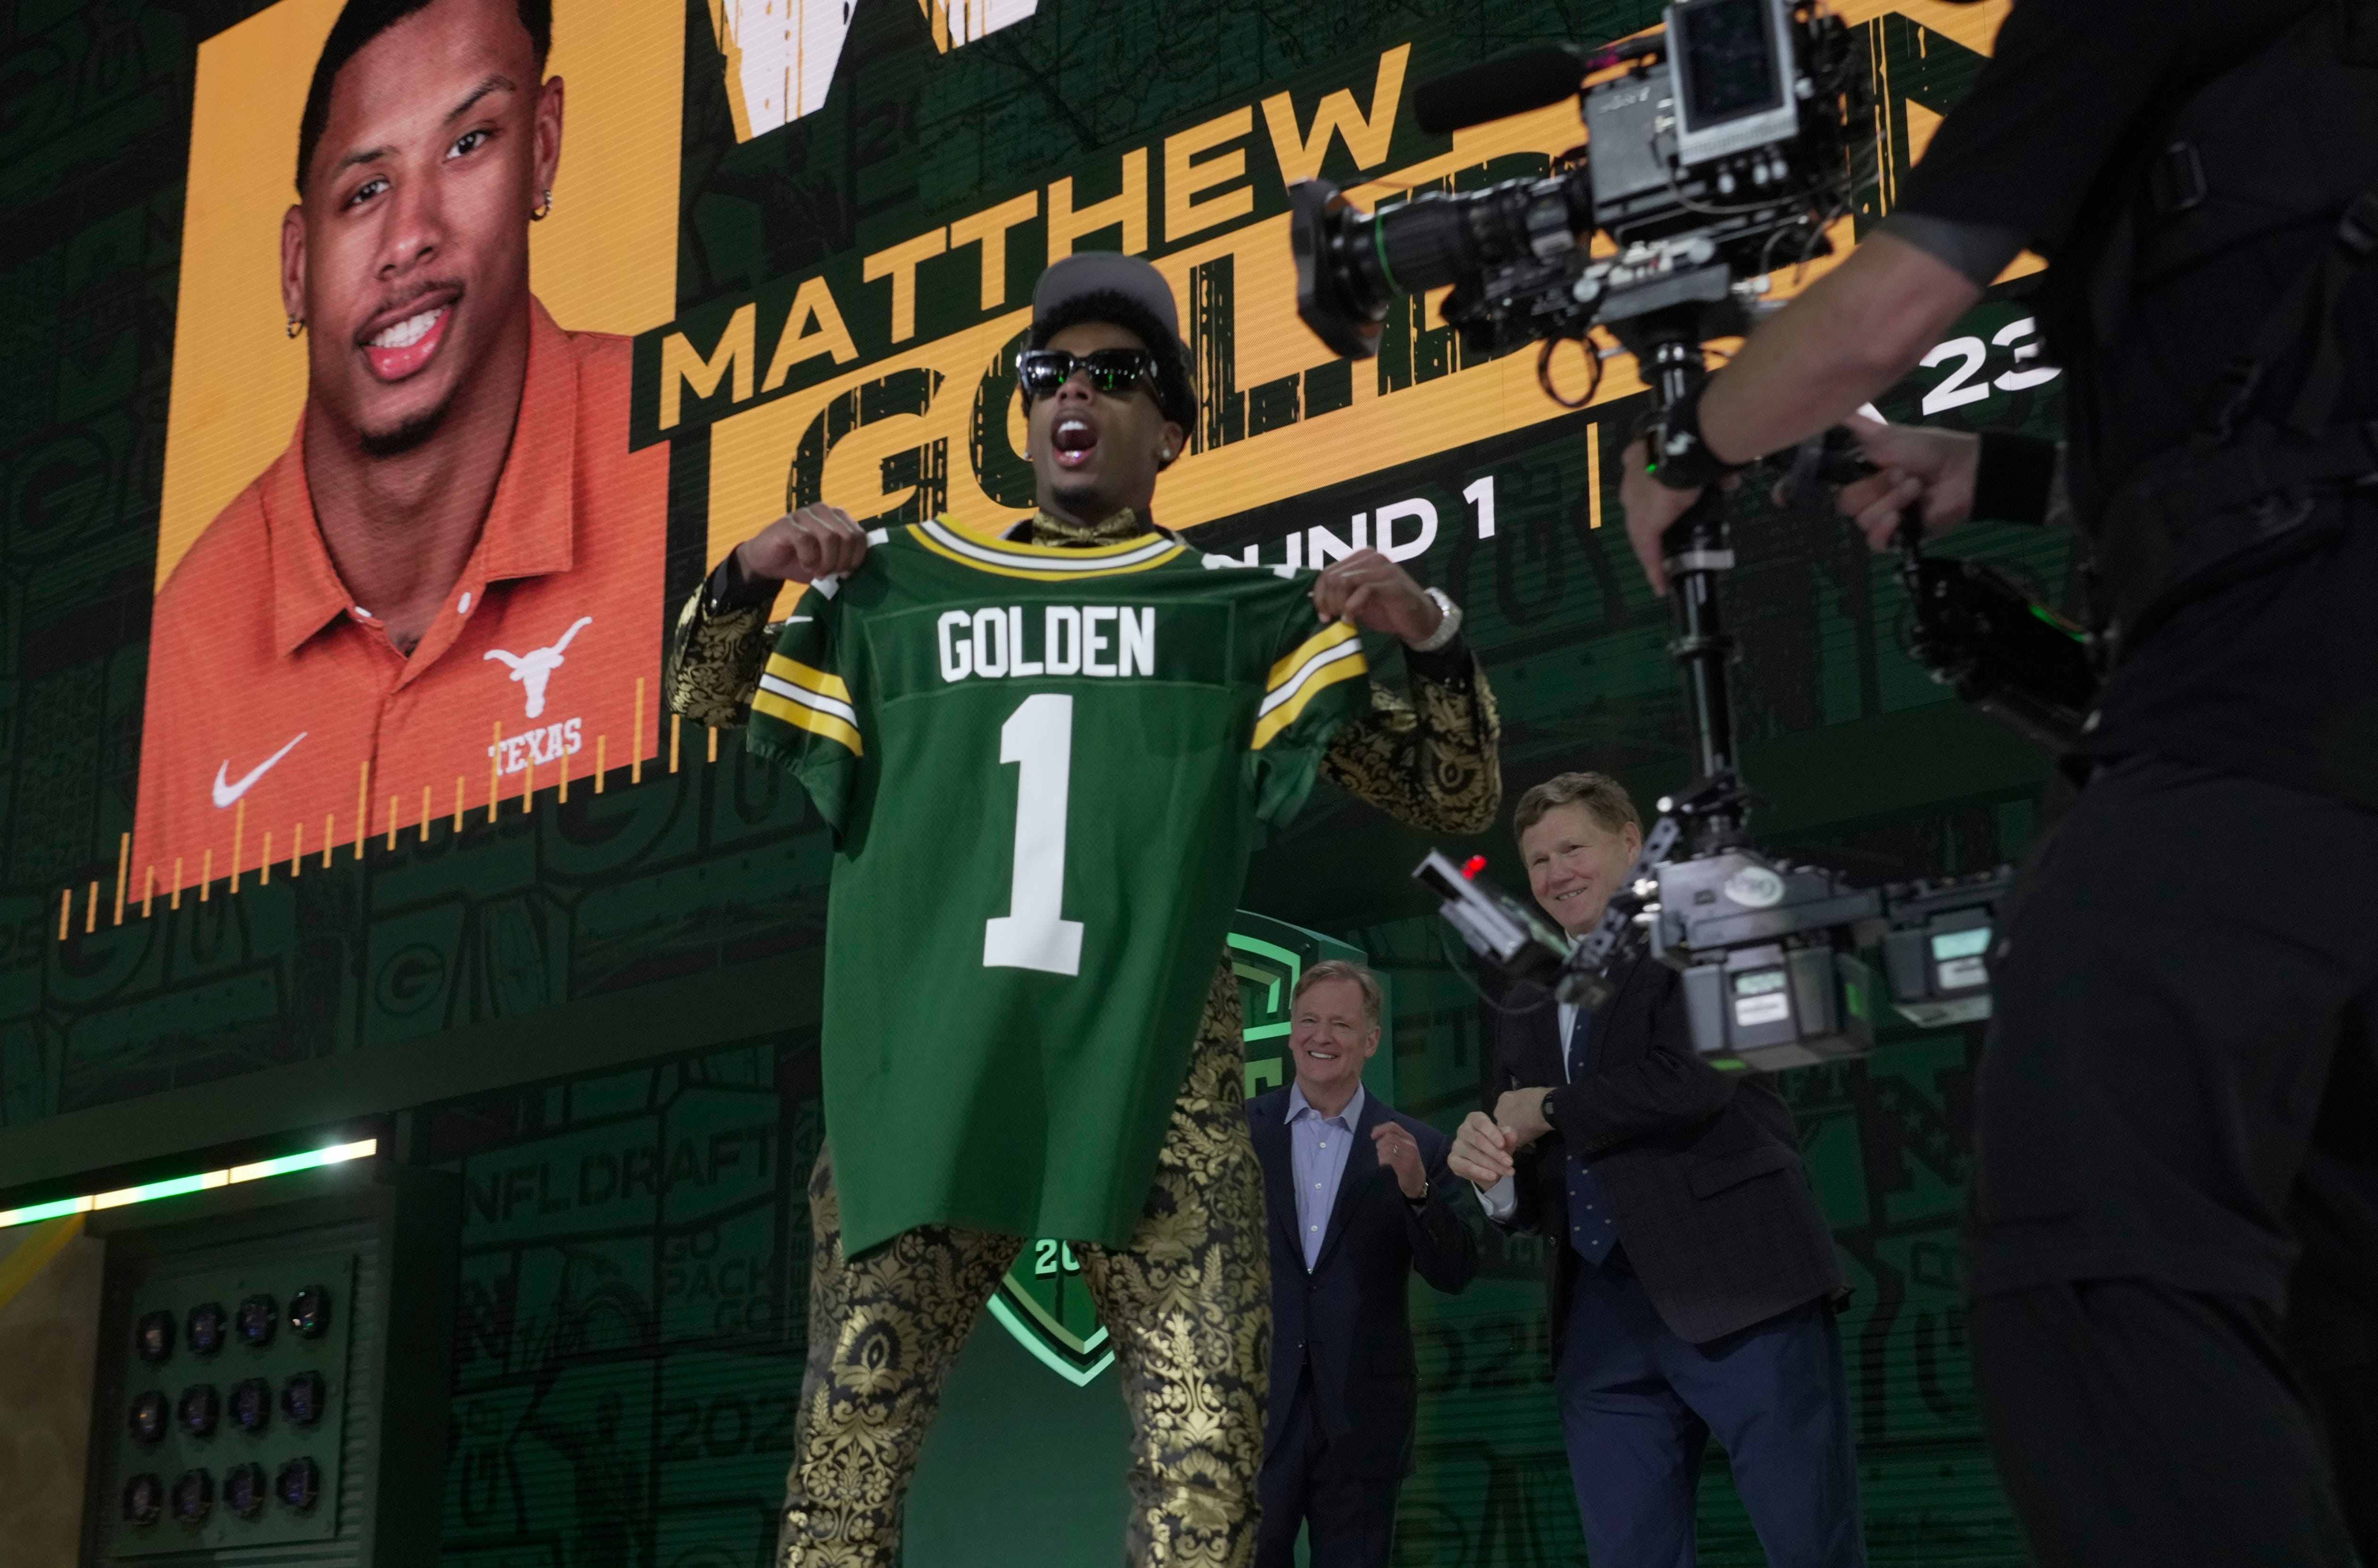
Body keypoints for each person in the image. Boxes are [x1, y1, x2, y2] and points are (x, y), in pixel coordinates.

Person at [1610, 3, 2378, 1562]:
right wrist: (1999, 473)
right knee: (2339, 1293)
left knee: (2094, 1253)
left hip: (2268, 695)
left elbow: (1893, 302)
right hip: (2312, 712)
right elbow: (2290, 376)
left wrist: (1690, 442)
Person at [664, 249, 1501, 1568]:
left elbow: (1452, 795)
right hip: (940, 1078)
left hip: (1157, 1083)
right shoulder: (895, 594)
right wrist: (746, 571)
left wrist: (1434, 629)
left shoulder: (1239, 622)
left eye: (1118, 375)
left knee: (1205, 1496)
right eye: (1049, 371)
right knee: (840, 1488)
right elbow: (705, 700)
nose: (1076, 392)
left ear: (1170, 426)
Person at [133, 0, 666, 894]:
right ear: (297, 265)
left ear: (542, 149)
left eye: (468, 145)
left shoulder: (689, 453)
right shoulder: (184, 636)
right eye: (366, 189)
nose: (410, 235)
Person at [1446, 772, 1859, 1568]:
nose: (1556, 872)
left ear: (1632, 846)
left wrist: (1552, 1109)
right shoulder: (1523, 993)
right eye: (1537, 861)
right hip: (1599, 1318)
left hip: (1742, 1284)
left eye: (1573, 847)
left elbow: (1697, 1074)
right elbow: (1529, 1157)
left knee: (1810, 1541)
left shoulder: (1704, 926)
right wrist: (1493, 1175)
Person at [1245, 961, 1474, 1568]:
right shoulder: (1240, 1134)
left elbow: (1455, 1272)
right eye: (1309, 1020)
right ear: (1291, 1031)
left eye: (1341, 1024)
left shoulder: (1419, 1146)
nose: (1322, 1036)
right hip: (1258, 1414)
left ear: (1370, 1040)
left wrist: (1419, 1192)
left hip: (1364, 1417)